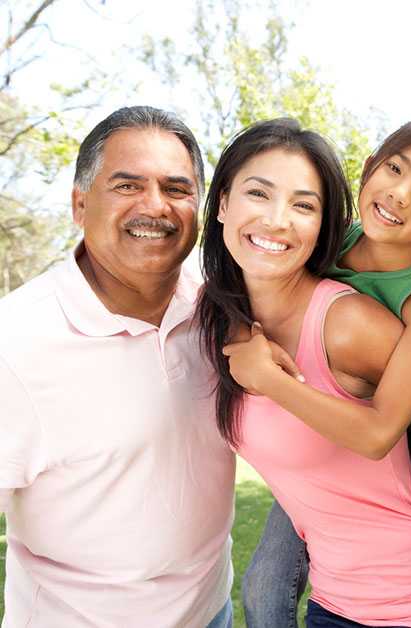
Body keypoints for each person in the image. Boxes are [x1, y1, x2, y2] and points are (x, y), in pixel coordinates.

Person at [202, 116, 411, 627]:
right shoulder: (334, 241)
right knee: (263, 583)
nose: (400, 194)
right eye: (394, 169)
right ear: (368, 170)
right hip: (352, 441)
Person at [0, 106, 235, 627]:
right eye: (127, 186)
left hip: (211, 612)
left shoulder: (220, 312)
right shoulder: (15, 342)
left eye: (177, 189)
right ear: (80, 204)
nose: (155, 207)